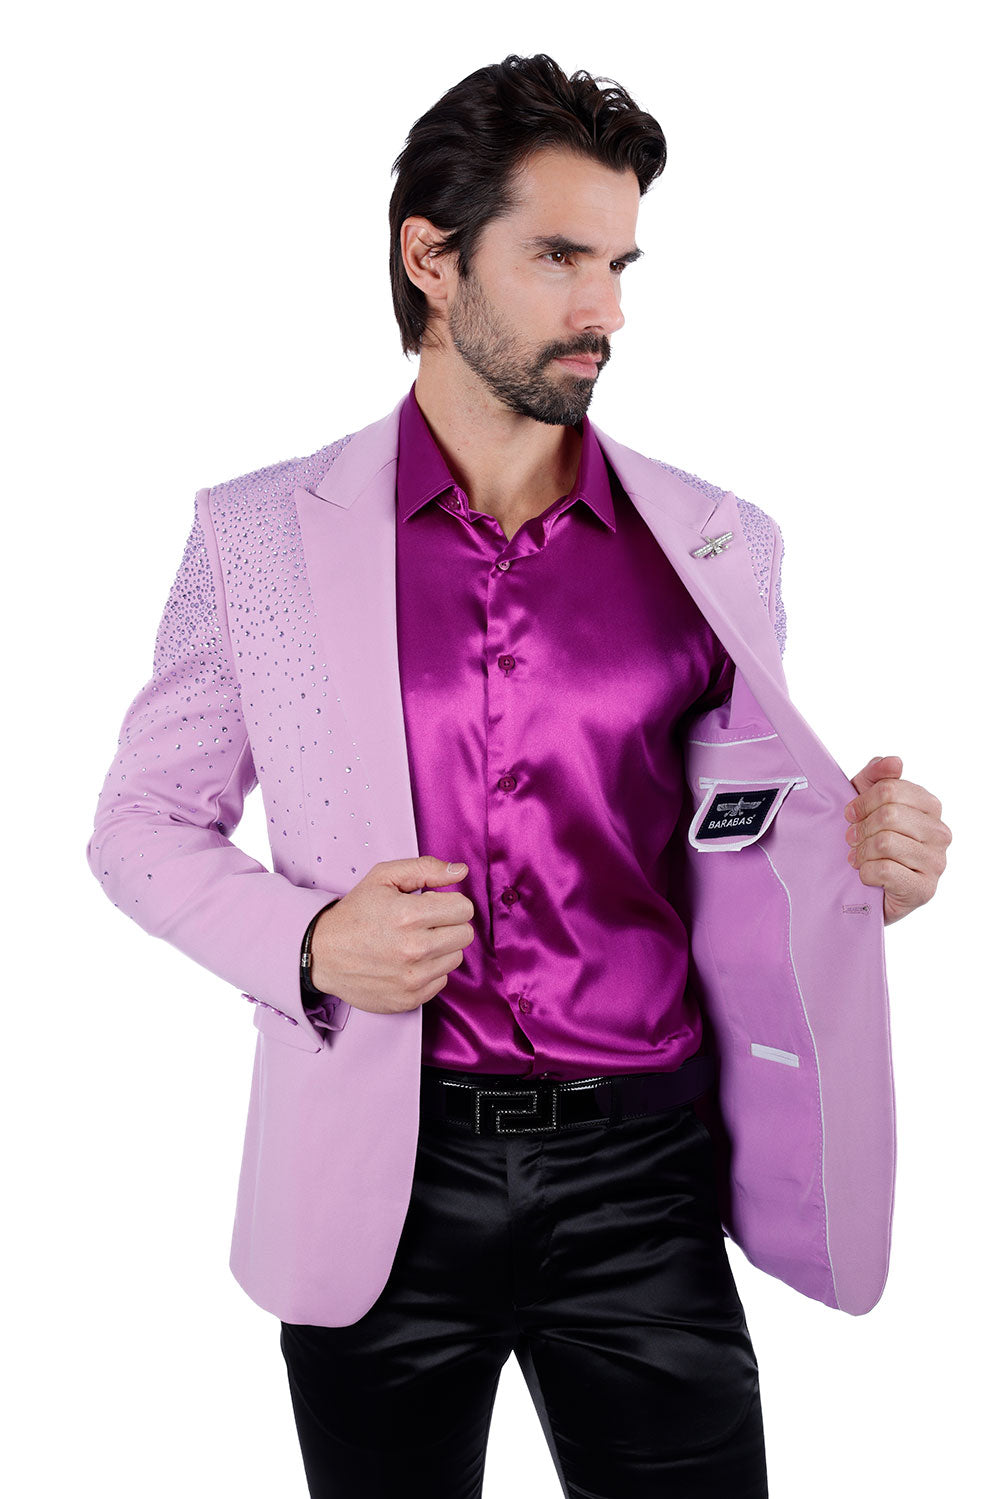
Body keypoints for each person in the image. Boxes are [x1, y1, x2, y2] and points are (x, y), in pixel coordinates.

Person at [86, 52, 950, 1499]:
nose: (605, 308)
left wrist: (861, 867)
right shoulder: (258, 537)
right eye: (559, 257)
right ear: (431, 259)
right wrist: (311, 941)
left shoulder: (720, 543)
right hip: (381, 1175)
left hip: (644, 1177)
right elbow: (138, 825)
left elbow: (735, 839)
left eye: (619, 264)